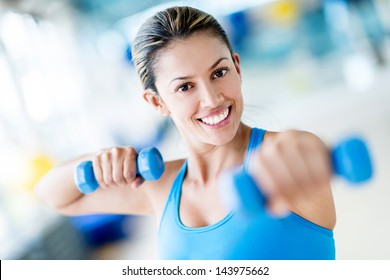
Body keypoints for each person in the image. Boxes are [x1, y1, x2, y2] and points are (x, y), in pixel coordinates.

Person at [35, 6, 336, 260]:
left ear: (237, 68)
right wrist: (95, 162)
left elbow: (303, 151)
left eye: (219, 73)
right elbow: (53, 196)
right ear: (157, 102)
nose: (212, 98)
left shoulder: (279, 158)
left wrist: (303, 153)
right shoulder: (159, 187)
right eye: (185, 87)